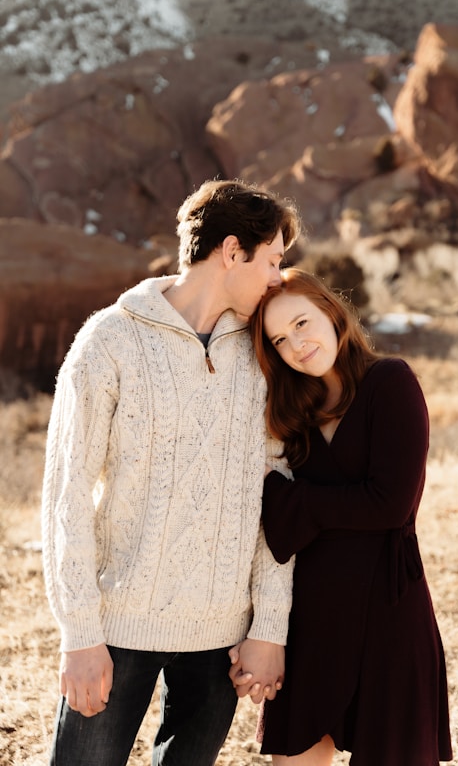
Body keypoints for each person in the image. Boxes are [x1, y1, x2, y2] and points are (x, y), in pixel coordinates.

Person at [41, 178, 303, 766]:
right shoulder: (108, 341)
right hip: (116, 629)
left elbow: (278, 501)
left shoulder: (263, 354)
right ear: (232, 251)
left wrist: (270, 625)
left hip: (220, 642)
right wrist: (79, 633)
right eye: (272, 260)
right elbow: (66, 496)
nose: (276, 278)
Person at [242, 268, 453, 766]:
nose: (295, 343)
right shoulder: (289, 413)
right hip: (311, 615)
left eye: (300, 323)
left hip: (389, 611)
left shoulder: (390, 381)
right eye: (278, 339)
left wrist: (299, 504)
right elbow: (269, 513)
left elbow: (390, 505)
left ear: (331, 313)